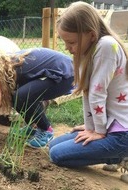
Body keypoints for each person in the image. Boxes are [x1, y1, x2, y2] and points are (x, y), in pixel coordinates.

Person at [48, 1, 128, 183]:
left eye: (72, 42)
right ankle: (117, 154)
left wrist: (98, 130)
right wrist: (91, 127)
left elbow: (96, 94)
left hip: (121, 133)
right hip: (109, 126)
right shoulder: (88, 51)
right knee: (53, 146)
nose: (67, 48)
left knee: (57, 155)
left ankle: (120, 154)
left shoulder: (106, 46)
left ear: (91, 35)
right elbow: (87, 93)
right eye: (64, 41)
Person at [0, 47, 74, 148]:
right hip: (61, 70)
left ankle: (46, 130)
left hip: (63, 75)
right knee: (16, 95)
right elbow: (5, 87)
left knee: (22, 96)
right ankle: (33, 126)